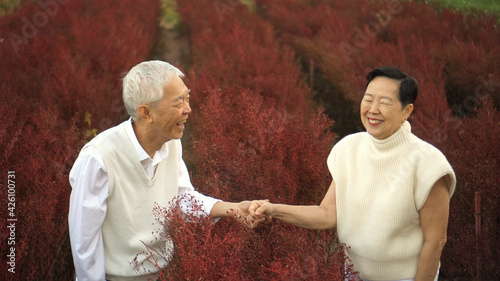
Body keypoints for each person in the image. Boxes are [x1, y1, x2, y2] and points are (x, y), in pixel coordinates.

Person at [250, 66, 456, 281]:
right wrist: (273, 209)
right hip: (354, 276)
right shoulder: (348, 148)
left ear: (407, 111)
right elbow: (327, 214)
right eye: (368, 99)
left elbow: (435, 241)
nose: (373, 109)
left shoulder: (428, 163)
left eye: (385, 102)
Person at [68, 60, 260, 281]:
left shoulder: (171, 142)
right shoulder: (99, 158)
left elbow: (181, 199)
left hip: (164, 273)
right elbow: (85, 242)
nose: (188, 109)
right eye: (178, 102)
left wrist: (233, 209)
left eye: (187, 98)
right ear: (146, 113)